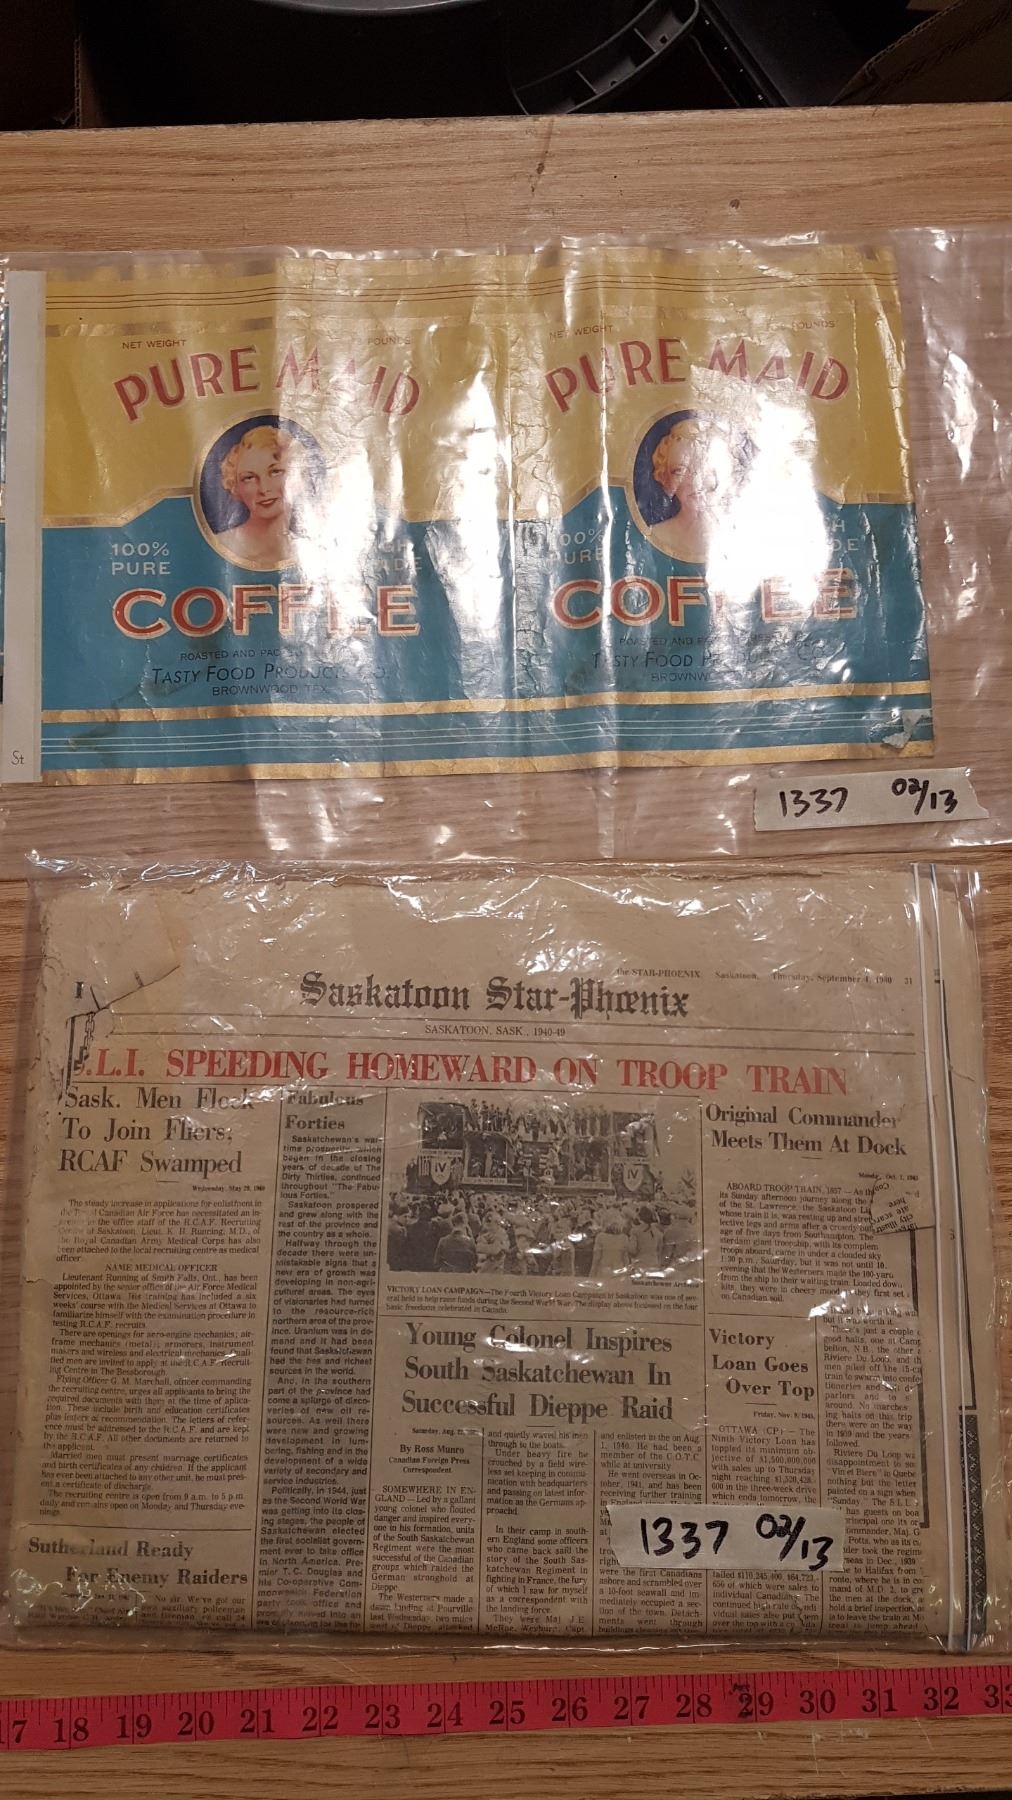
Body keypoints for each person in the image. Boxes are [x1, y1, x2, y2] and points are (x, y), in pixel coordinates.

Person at [647, 416, 739, 564]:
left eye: (705, 468)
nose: (695, 483)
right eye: (680, 471)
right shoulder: (656, 534)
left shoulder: (745, 534)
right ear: (665, 478)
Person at [215, 424, 307, 568]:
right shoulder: (220, 546)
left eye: (275, 472)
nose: (264, 489)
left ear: (296, 476)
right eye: (249, 478)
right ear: (235, 486)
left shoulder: (312, 549)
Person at [590, 1210, 630, 1279]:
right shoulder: (624, 1238)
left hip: (604, 1271)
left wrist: (591, 1274)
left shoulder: (600, 1237)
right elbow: (626, 1259)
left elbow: (596, 1259)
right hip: (619, 1271)